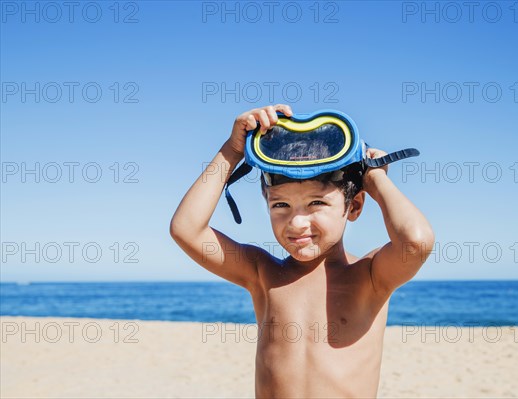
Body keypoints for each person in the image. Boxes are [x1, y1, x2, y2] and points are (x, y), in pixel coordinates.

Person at [170, 104, 435, 398]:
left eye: (316, 204)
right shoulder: (263, 273)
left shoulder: (369, 277)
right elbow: (187, 229)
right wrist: (231, 151)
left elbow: (416, 241)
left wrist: (375, 178)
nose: (296, 222)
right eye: (280, 205)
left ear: (355, 206)